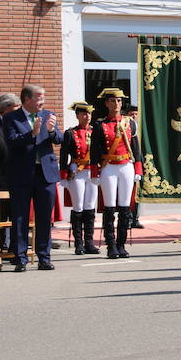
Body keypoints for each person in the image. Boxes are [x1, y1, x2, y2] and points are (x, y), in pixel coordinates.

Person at [4, 84, 62, 272]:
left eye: (43, 98)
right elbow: (11, 142)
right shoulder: (11, 118)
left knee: (45, 217)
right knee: (20, 217)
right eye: (38, 98)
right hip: (22, 174)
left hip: (45, 174)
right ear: (27, 99)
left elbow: (59, 139)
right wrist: (32, 134)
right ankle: (20, 258)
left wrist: (52, 131)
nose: (42, 102)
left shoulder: (48, 115)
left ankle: (44, 257)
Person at [90, 88, 141, 259]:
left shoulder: (130, 123)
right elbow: (95, 150)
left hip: (126, 165)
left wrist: (138, 168)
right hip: (108, 166)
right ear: (106, 103)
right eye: (112, 101)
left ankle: (121, 244)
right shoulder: (99, 125)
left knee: (125, 208)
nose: (116, 104)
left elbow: (136, 147)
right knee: (110, 207)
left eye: (119, 101)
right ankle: (110, 245)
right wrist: (95, 171)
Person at [59, 101, 99, 255]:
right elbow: (64, 154)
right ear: (77, 116)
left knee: (90, 207)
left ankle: (89, 242)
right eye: (83, 113)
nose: (87, 116)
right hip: (77, 172)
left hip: (92, 171)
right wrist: (63, 174)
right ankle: (78, 243)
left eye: (89, 113)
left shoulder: (95, 131)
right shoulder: (70, 133)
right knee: (78, 207)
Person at [0, 93, 18, 254]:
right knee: (0, 217)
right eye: (15, 109)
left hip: (18, 178)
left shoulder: (20, 125)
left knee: (17, 216)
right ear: (5, 110)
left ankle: (15, 249)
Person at [123, 104, 144, 230]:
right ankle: (128, 218)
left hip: (141, 162)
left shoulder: (141, 128)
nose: (134, 116)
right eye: (132, 114)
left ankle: (135, 218)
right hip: (129, 162)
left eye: (136, 114)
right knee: (129, 193)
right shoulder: (126, 127)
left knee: (138, 193)